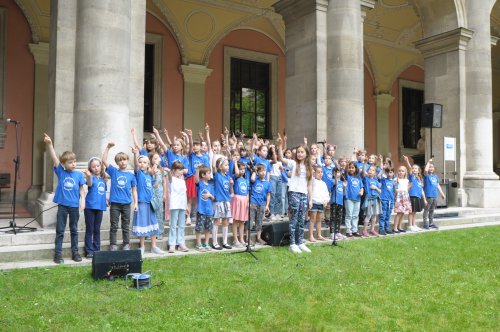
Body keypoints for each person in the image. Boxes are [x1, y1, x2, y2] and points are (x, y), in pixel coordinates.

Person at [44, 133, 85, 264]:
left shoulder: (78, 175)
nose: (73, 164)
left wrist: (82, 200)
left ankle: (75, 253)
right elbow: (54, 158)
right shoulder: (61, 172)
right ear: (64, 164)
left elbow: (81, 189)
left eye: (74, 161)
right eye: (70, 162)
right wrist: (50, 144)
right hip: (63, 205)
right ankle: (58, 254)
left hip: (74, 206)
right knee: (60, 230)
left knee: (74, 229)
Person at [277, 134, 313, 254]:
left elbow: (309, 184)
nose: (299, 154)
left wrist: (310, 199)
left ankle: (300, 242)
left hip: (303, 195)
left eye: (302, 152)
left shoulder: (308, 167)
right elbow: (281, 158)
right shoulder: (293, 163)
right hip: (294, 193)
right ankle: (292, 244)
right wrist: (280, 145)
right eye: (298, 152)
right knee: (294, 219)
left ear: (306, 154)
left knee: (302, 219)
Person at [102, 142, 138, 251]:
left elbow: (134, 191)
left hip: (127, 203)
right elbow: (104, 161)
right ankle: (113, 244)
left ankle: (126, 244)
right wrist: (107, 147)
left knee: (125, 226)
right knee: (114, 225)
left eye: (124, 159)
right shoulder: (114, 172)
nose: (122, 162)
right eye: (120, 160)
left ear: (127, 161)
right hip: (115, 204)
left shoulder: (131, 176)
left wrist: (135, 203)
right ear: (117, 162)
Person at [131, 147, 164, 256]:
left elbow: (155, 185)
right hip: (141, 203)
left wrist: (155, 173)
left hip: (150, 203)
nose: (141, 164)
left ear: (148, 164)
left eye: (144, 162)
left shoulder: (149, 175)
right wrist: (136, 154)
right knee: (142, 224)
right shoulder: (139, 174)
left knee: (153, 224)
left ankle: (154, 246)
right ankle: (142, 246)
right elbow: (136, 166)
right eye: (140, 162)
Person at [83, 157, 108, 259]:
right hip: (90, 207)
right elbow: (89, 184)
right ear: (90, 168)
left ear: (101, 167)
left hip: (100, 207)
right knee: (90, 229)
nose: (96, 168)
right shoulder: (91, 178)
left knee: (97, 229)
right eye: (93, 167)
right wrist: (88, 176)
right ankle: (89, 250)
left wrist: (106, 199)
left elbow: (102, 192)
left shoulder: (103, 180)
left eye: (98, 166)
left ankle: (96, 249)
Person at [212, 157, 233, 250]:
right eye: (226, 165)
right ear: (220, 167)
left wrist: (231, 184)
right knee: (217, 221)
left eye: (228, 164)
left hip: (226, 201)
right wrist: (214, 153)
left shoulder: (228, 177)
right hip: (219, 201)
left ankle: (225, 242)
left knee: (225, 221)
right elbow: (213, 166)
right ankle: (214, 242)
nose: (228, 166)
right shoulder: (217, 175)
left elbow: (230, 191)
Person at [168, 161, 189, 253]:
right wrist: (169, 171)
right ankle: (172, 244)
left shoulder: (182, 181)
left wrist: (186, 205)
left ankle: (181, 242)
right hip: (174, 204)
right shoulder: (171, 179)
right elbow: (169, 176)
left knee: (181, 225)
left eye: (182, 169)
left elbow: (184, 193)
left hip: (182, 204)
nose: (181, 171)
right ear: (174, 170)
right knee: (173, 225)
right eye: (179, 170)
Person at [249, 164, 272, 245]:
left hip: (262, 204)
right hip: (253, 202)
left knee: (259, 221)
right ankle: (247, 238)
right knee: (251, 221)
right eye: (261, 171)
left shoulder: (267, 183)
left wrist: (267, 205)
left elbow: (268, 194)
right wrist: (254, 170)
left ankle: (258, 238)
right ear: (258, 172)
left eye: (264, 170)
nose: (263, 172)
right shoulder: (255, 180)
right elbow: (252, 179)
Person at [404, 155, 427, 232]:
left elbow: (422, 190)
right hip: (412, 196)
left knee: (415, 212)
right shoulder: (412, 177)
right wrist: (407, 160)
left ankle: (414, 224)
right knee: (411, 211)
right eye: (413, 168)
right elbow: (409, 168)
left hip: (418, 197)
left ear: (418, 170)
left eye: (416, 168)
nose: (414, 170)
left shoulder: (420, 179)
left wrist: (424, 199)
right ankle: (410, 225)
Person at [194, 166, 214, 252]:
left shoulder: (211, 186)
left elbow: (213, 197)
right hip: (201, 210)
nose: (210, 175)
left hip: (209, 211)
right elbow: (196, 180)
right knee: (199, 228)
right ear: (203, 175)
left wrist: (209, 195)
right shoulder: (201, 184)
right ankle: (198, 244)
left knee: (208, 228)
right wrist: (198, 169)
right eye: (209, 173)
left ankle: (206, 243)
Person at [149, 151, 167, 240]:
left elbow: (164, 182)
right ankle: (150, 233)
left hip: (159, 193)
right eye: (154, 158)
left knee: (159, 213)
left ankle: (159, 232)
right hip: (151, 193)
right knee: (151, 212)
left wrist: (165, 194)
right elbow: (151, 173)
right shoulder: (149, 169)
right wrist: (154, 166)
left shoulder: (162, 170)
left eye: (158, 158)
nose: (157, 160)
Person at [423, 158, 446, 229]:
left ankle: (431, 223)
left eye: (432, 167)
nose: (431, 168)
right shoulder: (426, 176)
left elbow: (437, 185)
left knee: (432, 210)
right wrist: (428, 162)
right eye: (430, 167)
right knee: (426, 210)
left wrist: (442, 193)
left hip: (434, 196)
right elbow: (426, 171)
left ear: (434, 168)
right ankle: (425, 223)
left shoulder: (435, 176)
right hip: (428, 196)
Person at [231, 161, 249, 247]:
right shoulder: (235, 178)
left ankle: (241, 238)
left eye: (243, 169)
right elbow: (237, 173)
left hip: (244, 200)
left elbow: (248, 192)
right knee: (236, 220)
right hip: (237, 199)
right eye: (240, 169)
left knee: (242, 221)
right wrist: (235, 163)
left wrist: (248, 201)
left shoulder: (246, 180)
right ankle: (235, 239)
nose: (242, 171)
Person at [309, 166, 330, 242]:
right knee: (312, 219)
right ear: (314, 173)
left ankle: (319, 235)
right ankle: (311, 235)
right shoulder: (313, 181)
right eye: (318, 172)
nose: (320, 174)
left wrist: (326, 200)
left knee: (319, 220)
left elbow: (326, 194)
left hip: (321, 203)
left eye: (321, 172)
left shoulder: (323, 183)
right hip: (314, 202)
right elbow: (310, 176)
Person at [361, 164, 382, 237]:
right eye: (369, 169)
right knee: (368, 215)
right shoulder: (366, 179)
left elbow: (380, 191)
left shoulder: (376, 181)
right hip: (369, 198)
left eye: (373, 170)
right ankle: (364, 230)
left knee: (374, 215)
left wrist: (375, 188)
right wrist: (365, 163)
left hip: (376, 198)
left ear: (375, 173)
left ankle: (372, 229)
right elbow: (363, 172)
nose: (370, 171)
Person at [344, 161, 364, 237]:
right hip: (349, 198)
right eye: (350, 168)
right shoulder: (347, 176)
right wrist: (347, 165)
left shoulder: (358, 177)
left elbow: (362, 187)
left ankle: (355, 230)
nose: (351, 169)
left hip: (357, 199)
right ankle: (348, 230)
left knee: (355, 215)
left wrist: (361, 191)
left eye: (353, 168)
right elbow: (345, 171)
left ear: (356, 169)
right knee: (349, 215)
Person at [393, 166, 412, 233]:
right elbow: (395, 190)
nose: (401, 172)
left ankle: (399, 226)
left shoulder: (407, 180)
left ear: (405, 172)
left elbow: (407, 189)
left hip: (405, 197)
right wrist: (395, 185)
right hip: (399, 197)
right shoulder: (396, 179)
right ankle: (395, 227)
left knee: (403, 212)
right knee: (399, 212)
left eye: (402, 171)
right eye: (399, 171)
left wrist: (409, 187)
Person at [378, 167, 395, 235]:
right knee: (383, 215)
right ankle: (381, 229)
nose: (389, 174)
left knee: (388, 215)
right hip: (384, 199)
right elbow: (378, 176)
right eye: (387, 172)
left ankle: (387, 228)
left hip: (391, 200)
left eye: (391, 172)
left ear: (393, 173)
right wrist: (383, 170)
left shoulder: (394, 181)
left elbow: (395, 191)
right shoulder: (384, 180)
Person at [329, 169, 345, 240]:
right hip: (334, 202)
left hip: (340, 202)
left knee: (339, 218)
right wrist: (336, 177)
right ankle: (332, 233)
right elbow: (335, 183)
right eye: (335, 173)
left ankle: (337, 231)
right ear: (333, 174)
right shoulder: (333, 181)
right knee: (333, 217)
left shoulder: (342, 182)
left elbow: (344, 193)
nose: (337, 174)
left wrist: (344, 186)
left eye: (338, 172)